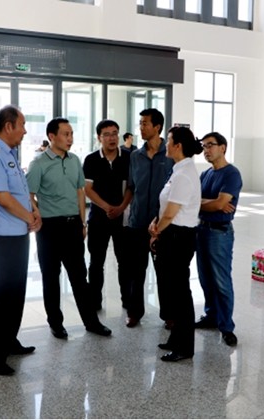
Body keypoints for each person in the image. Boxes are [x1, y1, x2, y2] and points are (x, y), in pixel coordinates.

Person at [27, 117, 111, 339]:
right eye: (66, 134)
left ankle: (91, 322)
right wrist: (37, 215)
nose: (70, 138)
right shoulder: (38, 163)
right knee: (51, 277)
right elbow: (29, 194)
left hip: (73, 225)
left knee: (79, 277)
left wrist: (82, 222)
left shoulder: (74, 161)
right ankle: (56, 323)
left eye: (71, 134)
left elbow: (80, 191)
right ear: (52, 136)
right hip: (49, 228)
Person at [0, 105, 40, 376]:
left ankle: (9, 340)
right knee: (1, 297)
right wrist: (29, 217)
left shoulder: (9, 153)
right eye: (22, 125)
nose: (25, 131)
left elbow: (21, 191)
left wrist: (34, 211)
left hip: (18, 235)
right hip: (2, 238)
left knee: (16, 294)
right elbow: (2, 197)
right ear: (8, 126)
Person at [149, 126, 203, 362]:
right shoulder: (179, 169)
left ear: (178, 146)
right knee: (173, 289)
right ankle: (176, 338)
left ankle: (185, 347)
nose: (166, 144)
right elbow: (166, 207)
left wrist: (156, 231)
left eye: (169, 140)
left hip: (178, 237)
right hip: (172, 233)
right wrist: (157, 223)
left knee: (180, 292)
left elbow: (171, 213)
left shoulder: (183, 174)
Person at [124, 108, 173, 328]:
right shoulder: (135, 155)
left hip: (162, 224)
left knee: (164, 271)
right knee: (136, 271)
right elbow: (131, 186)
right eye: (140, 123)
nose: (141, 127)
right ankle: (134, 312)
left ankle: (169, 314)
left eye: (145, 123)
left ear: (157, 127)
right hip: (137, 223)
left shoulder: (170, 155)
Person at [194, 132, 242, 347]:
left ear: (223, 147)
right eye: (204, 146)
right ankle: (211, 316)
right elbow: (196, 200)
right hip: (201, 229)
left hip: (219, 233)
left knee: (221, 281)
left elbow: (220, 204)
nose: (206, 150)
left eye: (210, 145)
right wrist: (210, 203)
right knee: (205, 278)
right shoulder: (205, 174)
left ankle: (226, 327)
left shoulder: (232, 174)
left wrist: (207, 203)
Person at [83, 119, 132, 310]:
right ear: (99, 138)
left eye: (114, 134)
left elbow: (131, 187)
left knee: (125, 262)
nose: (112, 138)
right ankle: (95, 301)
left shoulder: (128, 157)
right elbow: (88, 189)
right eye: (107, 135)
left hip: (123, 218)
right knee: (96, 262)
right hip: (98, 218)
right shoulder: (91, 160)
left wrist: (120, 207)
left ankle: (127, 300)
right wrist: (107, 207)